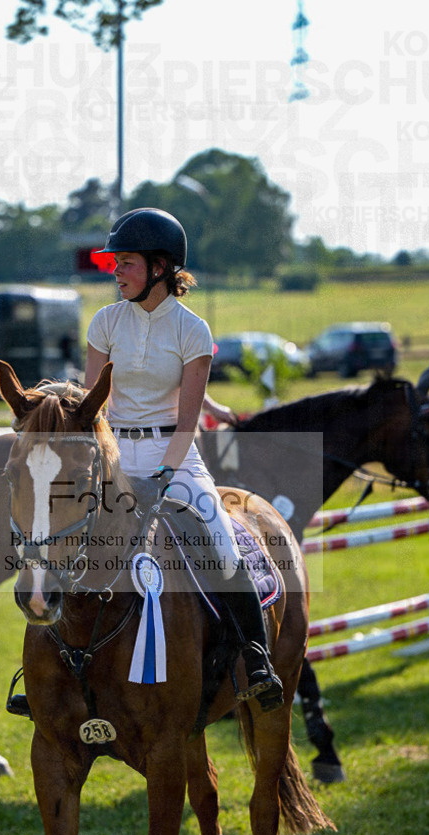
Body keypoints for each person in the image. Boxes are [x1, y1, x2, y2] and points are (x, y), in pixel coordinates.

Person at [85, 208, 282, 712]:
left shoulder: (192, 330)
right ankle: (55, 665)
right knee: (68, 541)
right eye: (116, 263)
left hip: (174, 454)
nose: (116, 271)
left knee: (221, 543)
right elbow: (92, 404)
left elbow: (190, 419)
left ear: (159, 267)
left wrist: (164, 474)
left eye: (125, 262)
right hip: (113, 453)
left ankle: (256, 657)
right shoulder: (105, 322)